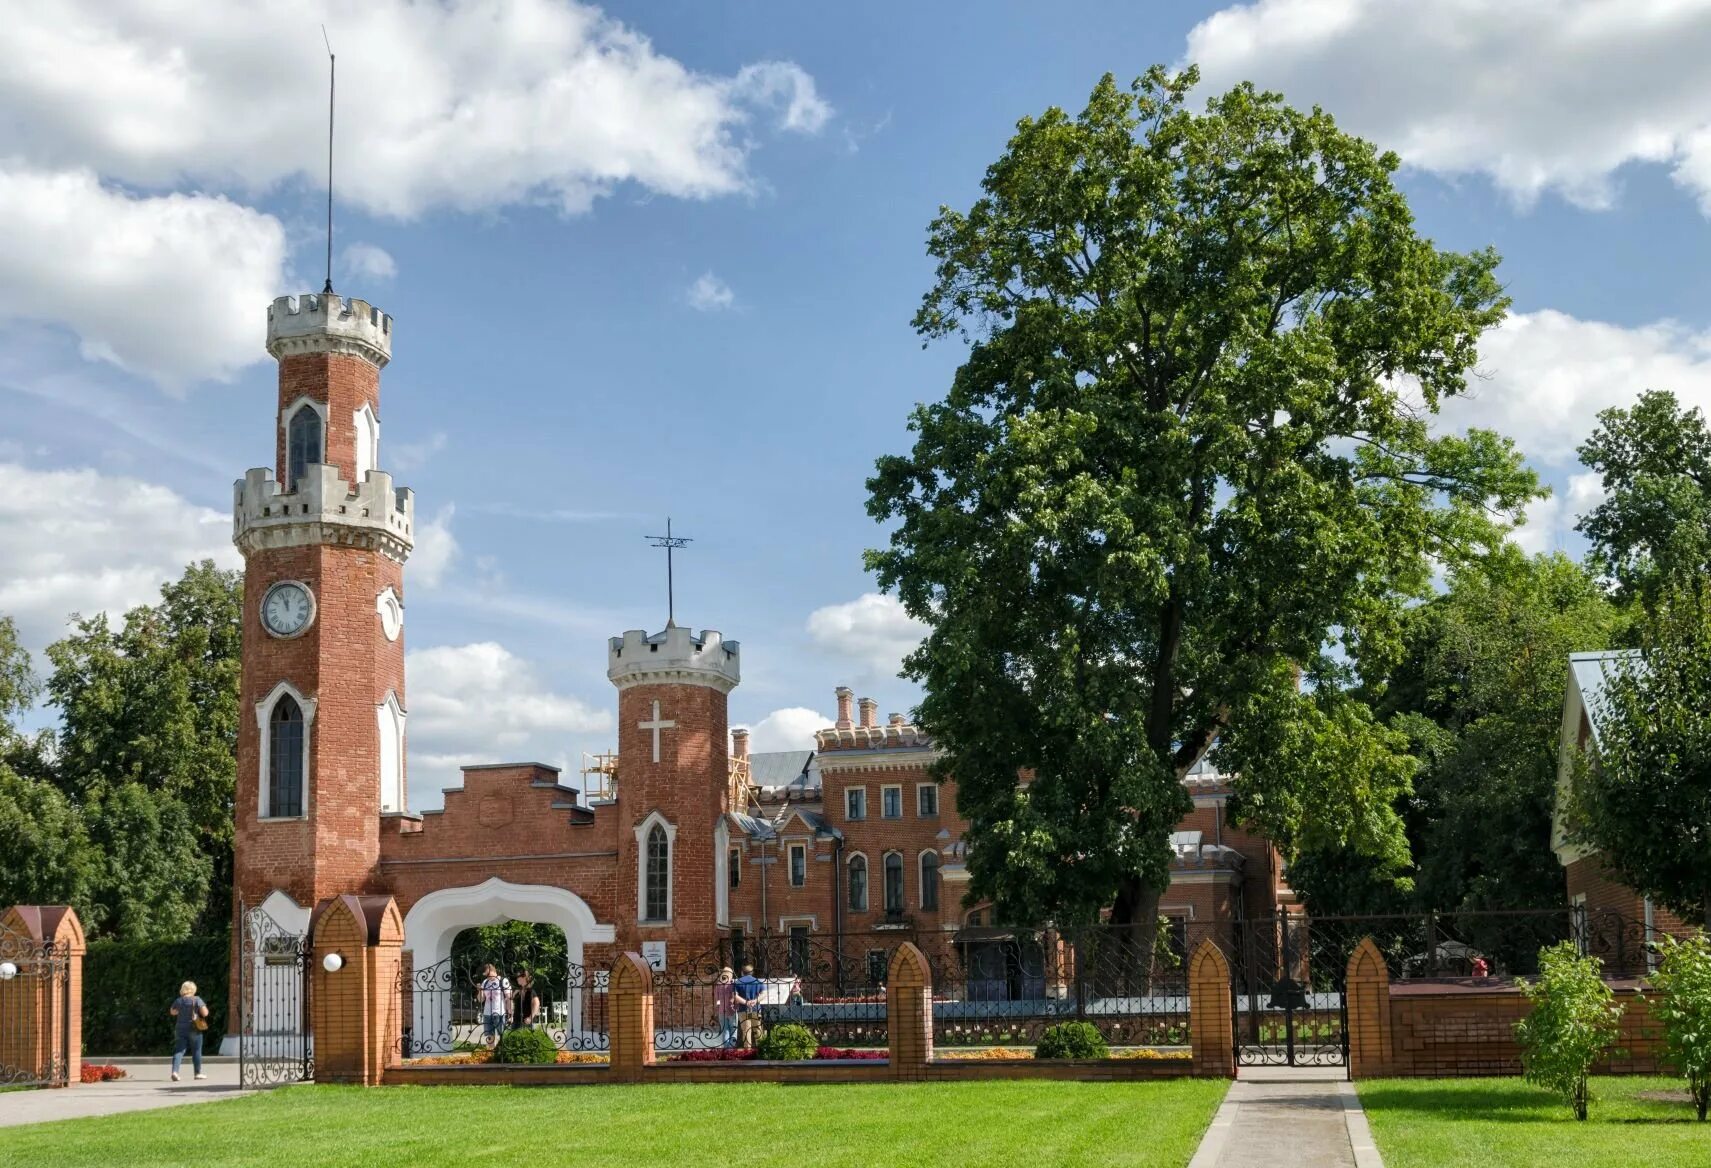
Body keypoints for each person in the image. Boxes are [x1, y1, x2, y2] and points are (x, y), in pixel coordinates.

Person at [168, 980, 209, 1082]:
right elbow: (205, 1013)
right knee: (196, 1051)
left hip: (180, 1028)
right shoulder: (197, 999)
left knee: (179, 1050)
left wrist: (180, 1011)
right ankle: (197, 1073)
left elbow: (172, 1012)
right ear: (193, 990)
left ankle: (175, 1072)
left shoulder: (179, 1000)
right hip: (194, 1028)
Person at [476, 964, 511, 1048]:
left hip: (499, 1013)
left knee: (502, 1035)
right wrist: (480, 990)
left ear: (493, 971)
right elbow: (481, 1000)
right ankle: (491, 1054)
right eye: (485, 975)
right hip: (487, 1013)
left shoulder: (503, 980)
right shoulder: (485, 982)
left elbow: (509, 998)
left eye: (488, 974)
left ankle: (501, 1053)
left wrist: (510, 1014)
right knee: (489, 1036)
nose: (487, 976)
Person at [732, 963, 765, 1049]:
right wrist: (755, 1001)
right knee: (758, 1031)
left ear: (742, 972)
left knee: (746, 1032)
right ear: (752, 972)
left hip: (743, 1010)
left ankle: (748, 1052)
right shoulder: (757, 981)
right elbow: (764, 994)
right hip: (756, 1009)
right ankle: (761, 1050)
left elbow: (735, 996)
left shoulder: (738, 982)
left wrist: (746, 1002)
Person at [713, 966, 737, 1048]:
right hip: (731, 1010)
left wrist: (719, 1007)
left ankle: (726, 1049)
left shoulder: (718, 984)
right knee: (734, 1030)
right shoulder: (732, 984)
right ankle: (731, 1048)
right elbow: (734, 997)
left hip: (721, 1011)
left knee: (725, 1031)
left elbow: (717, 1000)